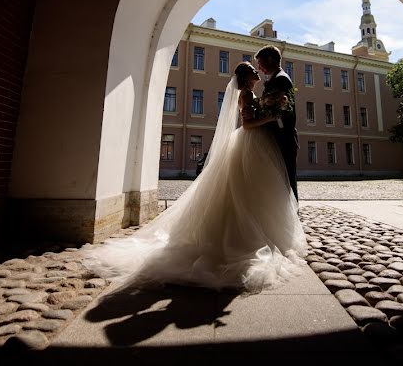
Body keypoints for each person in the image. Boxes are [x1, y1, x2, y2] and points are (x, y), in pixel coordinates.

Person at [82, 62, 307, 294]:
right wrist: (272, 117)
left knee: (249, 192)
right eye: (252, 70)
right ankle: (246, 238)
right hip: (250, 143)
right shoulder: (247, 94)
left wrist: (269, 109)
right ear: (246, 76)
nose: (256, 72)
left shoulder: (250, 93)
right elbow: (248, 125)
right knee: (247, 192)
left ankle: (252, 233)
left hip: (252, 146)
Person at [255, 46, 299, 201]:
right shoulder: (276, 79)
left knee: (287, 181)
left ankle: (292, 219)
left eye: (260, 63)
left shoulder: (281, 79)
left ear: (271, 59)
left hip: (283, 138)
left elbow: (281, 112)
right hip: (277, 138)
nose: (259, 68)